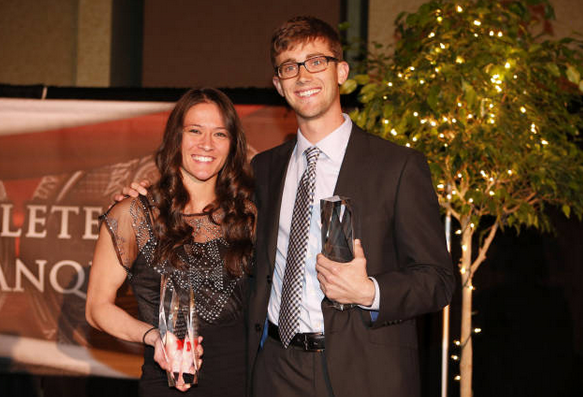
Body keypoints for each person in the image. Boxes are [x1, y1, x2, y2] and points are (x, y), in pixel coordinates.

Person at [246, 16, 455, 397]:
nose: (302, 76)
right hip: (275, 367)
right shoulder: (265, 168)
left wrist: (370, 291)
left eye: (316, 61)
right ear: (278, 85)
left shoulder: (398, 166)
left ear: (340, 71)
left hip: (363, 372)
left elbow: (438, 280)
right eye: (289, 67)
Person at [86, 87, 256, 397]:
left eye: (220, 134)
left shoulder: (250, 215)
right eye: (195, 130)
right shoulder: (133, 214)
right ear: (175, 137)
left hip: (242, 384)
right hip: (166, 384)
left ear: (233, 145)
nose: (206, 144)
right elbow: (97, 308)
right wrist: (153, 337)